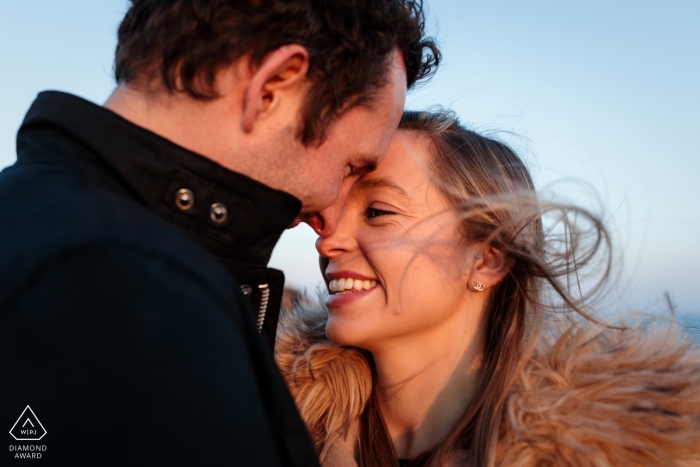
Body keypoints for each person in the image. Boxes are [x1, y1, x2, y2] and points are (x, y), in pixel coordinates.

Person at [0, 1, 439, 465]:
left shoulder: (41, 227)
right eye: (350, 165)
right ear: (272, 87)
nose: (330, 218)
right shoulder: (130, 289)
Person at [276, 110, 700, 467]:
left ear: (487, 258)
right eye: (332, 214)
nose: (327, 241)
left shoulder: (611, 450)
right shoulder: (270, 419)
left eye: (376, 211)